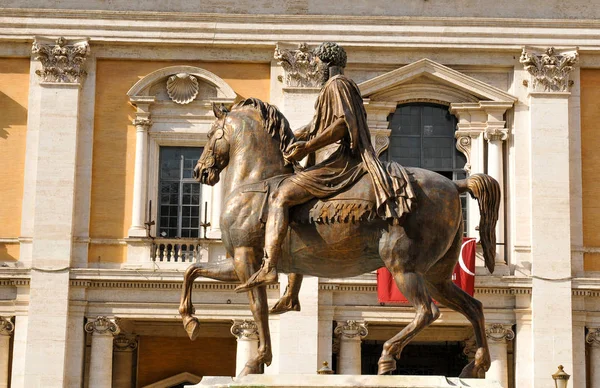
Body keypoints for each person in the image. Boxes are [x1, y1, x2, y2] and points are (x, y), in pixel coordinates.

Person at [235, 42, 414, 293]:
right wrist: (289, 139)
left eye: (317, 62)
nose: (315, 66)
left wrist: (307, 148)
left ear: (326, 62)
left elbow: (341, 125)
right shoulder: (338, 88)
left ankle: (269, 268)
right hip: (340, 160)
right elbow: (316, 126)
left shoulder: (336, 84)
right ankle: (292, 293)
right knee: (298, 206)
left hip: (342, 163)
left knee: (282, 197)